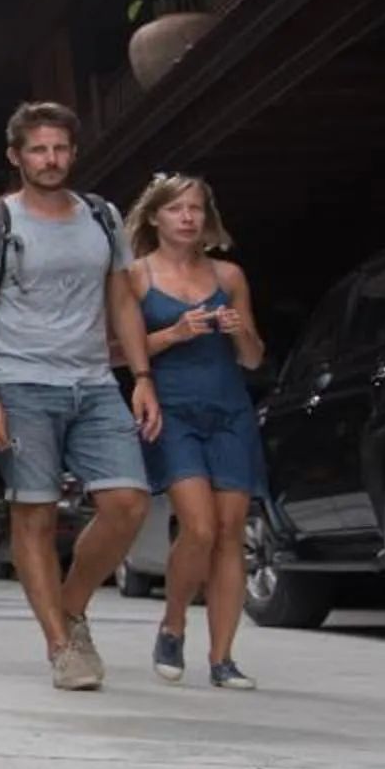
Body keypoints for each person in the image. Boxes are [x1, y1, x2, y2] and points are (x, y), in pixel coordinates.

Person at [0, 102, 162, 690]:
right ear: (16, 156)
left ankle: (70, 605)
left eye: (61, 148)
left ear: (73, 152)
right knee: (34, 512)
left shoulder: (102, 216)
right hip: (20, 381)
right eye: (39, 150)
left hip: (94, 381)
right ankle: (61, 646)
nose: (51, 160)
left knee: (128, 503)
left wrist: (142, 377)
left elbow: (121, 300)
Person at [125, 173, 269, 688]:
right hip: (173, 410)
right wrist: (173, 333)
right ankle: (173, 622)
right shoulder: (136, 276)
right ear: (155, 217)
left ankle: (222, 658)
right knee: (200, 527)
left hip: (230, 409)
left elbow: (253, 358)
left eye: (197, 209)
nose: (188, 217)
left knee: (231, 534)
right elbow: (120, 351)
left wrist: (241, 330)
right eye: (177, 208)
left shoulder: (229, 276)